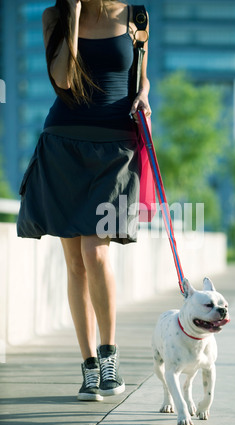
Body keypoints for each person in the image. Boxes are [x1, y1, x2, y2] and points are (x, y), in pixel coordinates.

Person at [17, 0, 151, 401]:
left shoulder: (136, 15)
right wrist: (72, 17)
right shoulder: (55, 17)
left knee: (95, 254)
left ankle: (109, 356)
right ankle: (89, 366)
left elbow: (141, 76)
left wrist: (144, 97)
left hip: (116, 149)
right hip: (64, 145)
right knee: (74, 261)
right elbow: (62, 79)